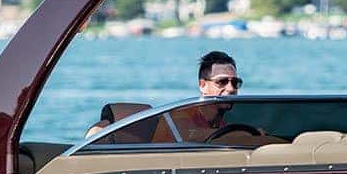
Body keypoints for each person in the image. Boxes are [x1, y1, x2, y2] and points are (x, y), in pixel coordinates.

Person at [86, 51, 241, 138]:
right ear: (202, 85)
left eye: (235, 82)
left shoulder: (224, 122)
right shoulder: (182, 116)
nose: (230, 88)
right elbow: (193, 136)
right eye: (222, 82)